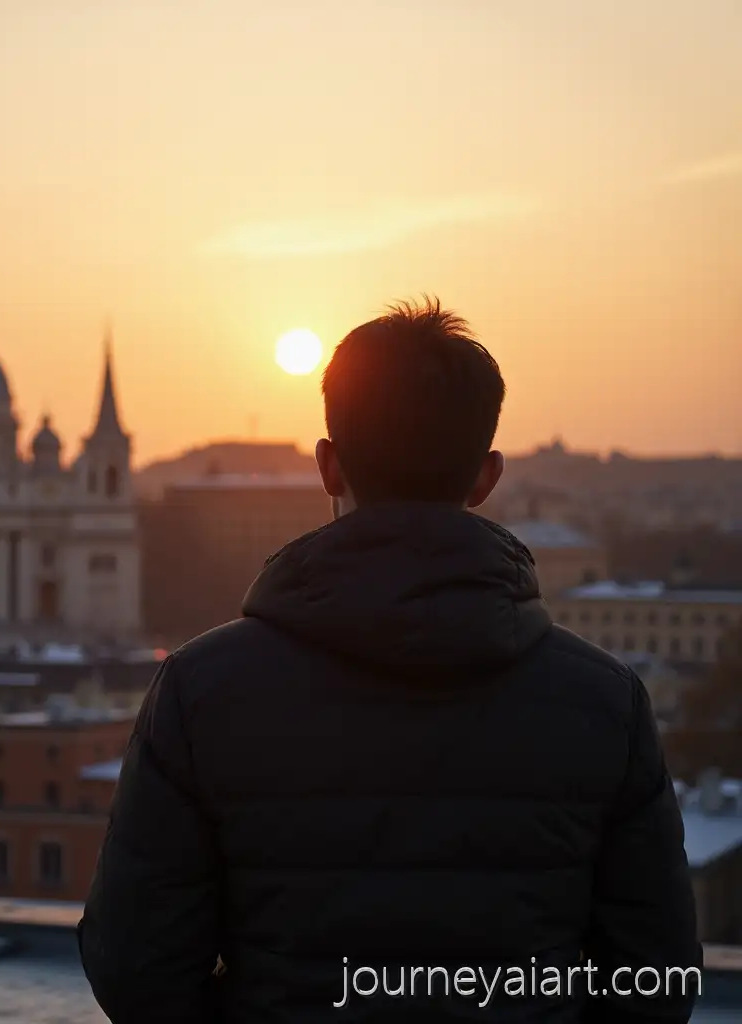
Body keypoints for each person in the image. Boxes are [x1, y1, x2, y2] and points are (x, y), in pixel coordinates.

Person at [79, 298, 700, 1022]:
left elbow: (136, 972)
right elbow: (656, 984)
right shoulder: (608, 703)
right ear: (485, 477)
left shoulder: (199, 688)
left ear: (328, 466)